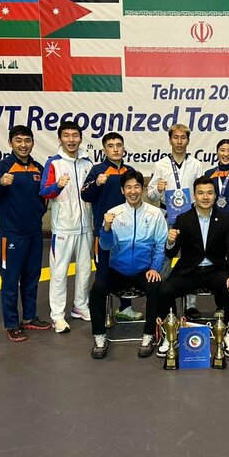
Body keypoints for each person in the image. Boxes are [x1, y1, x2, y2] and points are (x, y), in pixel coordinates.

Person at [157, 176, 229, 357]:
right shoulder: (183, 219)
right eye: (201, 193)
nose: (205, 197)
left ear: (215, 196)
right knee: (164, 290)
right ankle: (170, 333)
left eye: (209, 193)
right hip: (189, 270)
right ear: (194, 196)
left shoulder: (225, 219)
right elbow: (171, 253)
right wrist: (170, 242)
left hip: (215, 270)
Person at [88, 170, 168, 359]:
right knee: (97, 289)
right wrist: (106, 228)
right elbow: (105, 246)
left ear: (142, 189)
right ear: (122, 190)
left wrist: (155, 268)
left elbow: (160, 245)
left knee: (157, 287)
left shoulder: (155, 214)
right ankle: (99, 336)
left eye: (137, 187)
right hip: (117, 270)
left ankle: (149, 335)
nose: (133, 191)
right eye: (128, 187)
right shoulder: (114, 213)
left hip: (143, 270)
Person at [0, 125, 50, 342]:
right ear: (10, 142)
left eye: (27, 140)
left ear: (32, 142)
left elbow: (45, 196)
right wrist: (1, 184)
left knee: (32, 277)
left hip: (34, 232)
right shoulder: (2, 167)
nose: (23, 145)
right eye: (18, 140)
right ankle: (12, 324)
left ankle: (29, 317)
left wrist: (38, 214)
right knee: (11, 280)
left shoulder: (38, 168)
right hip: (12, 234)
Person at [81, 132, 142, 322]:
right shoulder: (98, 170)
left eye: (118, 145)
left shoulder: (129, 171)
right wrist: (96, 184)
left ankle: (125, 308)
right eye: (110, 146)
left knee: (125, 269)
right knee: (103, 272)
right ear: (104, 149)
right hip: (105, 232)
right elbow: (85, 195)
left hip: (127, 232)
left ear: (123, 148)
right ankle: (102, 314)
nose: (115, 149)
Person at [40, 121, 93, 334]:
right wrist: (57, 186)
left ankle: (80, 306)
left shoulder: (87, 163)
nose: (71, 139)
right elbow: (44, 191)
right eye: (66, 135)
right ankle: (57, 316)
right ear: (60, 139)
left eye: (75, 135)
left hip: (85, 226)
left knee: (85, 270)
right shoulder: (53, 163)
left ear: (80, 138)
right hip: (63, 228)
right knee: (59, 273)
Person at [147, 123, 204, 318]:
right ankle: (163, 299)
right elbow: (151, 195)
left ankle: (190, 305)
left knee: (191, 257)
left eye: (183, 138)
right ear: (170, 140)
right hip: (167, 216)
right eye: (176, 137)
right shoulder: (161, 164)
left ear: (188, 140)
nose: (179, 142)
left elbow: (202, 190)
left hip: (190, 216)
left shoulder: (196, 164)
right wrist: (158, 189)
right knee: (165, 256)